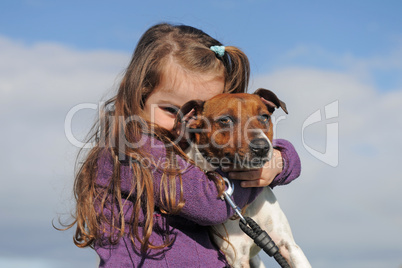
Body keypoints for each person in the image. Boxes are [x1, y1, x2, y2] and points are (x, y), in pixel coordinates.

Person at [66, 23, 301, 267]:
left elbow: (276, 161)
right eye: (171, 110)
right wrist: (259, 168)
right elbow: (212, 203)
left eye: (196, 113)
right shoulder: (134, 151)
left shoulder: (183, 152)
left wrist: (281, 158)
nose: (184, 123)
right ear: (139, 95)